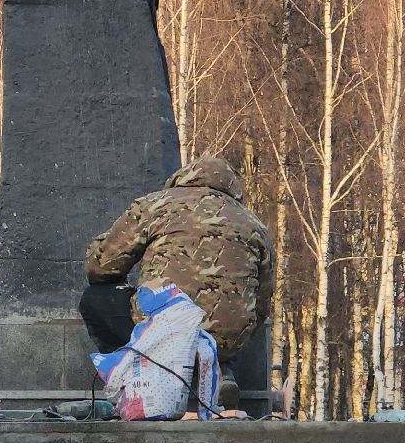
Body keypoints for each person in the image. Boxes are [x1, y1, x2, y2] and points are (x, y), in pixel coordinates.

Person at [84, 157, 275, 367]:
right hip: (226, 344)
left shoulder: (157, 204)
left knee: (94, 299)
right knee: (233, 321)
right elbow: (262, 305)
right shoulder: (255, 225)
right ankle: (217, 369)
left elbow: (101, 267)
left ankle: (136, 371)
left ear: (182, 178)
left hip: (162, 331)